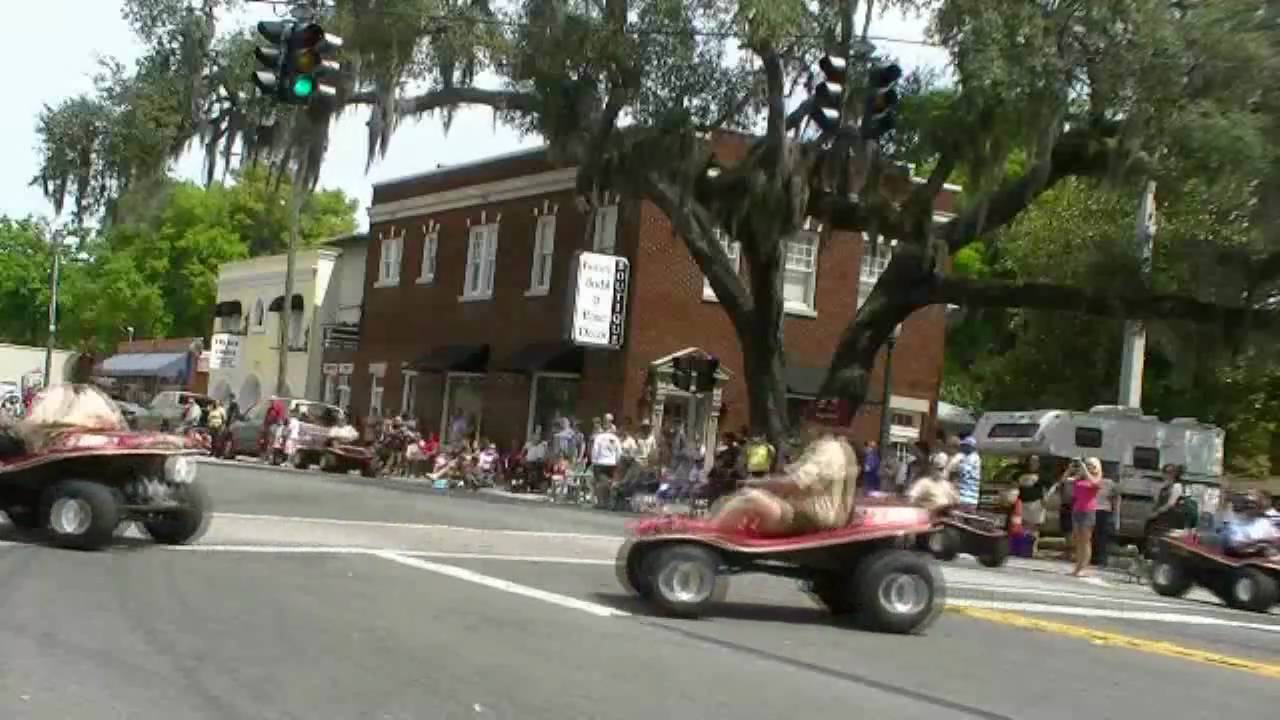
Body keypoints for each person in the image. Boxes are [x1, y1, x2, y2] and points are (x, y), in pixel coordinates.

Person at [705, 414, 858, 537]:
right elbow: (791, 477)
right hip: (816, 516)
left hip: (809, 518)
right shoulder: (838, 448)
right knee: (745, 497)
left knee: (749, 498)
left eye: (805, 425)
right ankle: (718, 530)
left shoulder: (829, 449)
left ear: (815, 427)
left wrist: (752, 483)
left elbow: (794, 483)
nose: (802, 431)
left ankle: (710, 538)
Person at [1068, 457, 1104, 577]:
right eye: (1087, 464)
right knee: (1078, 540)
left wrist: (1084, 469)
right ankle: (1078, 567)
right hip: (1077, 510)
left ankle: (1084, 567)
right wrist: (1070, 469)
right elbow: (1065, 480)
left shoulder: (1097, 479)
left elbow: (1094, 483)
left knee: (1086, 541)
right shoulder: (1081, 477)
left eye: (1091, 465)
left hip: (1088, 511)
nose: (1089, 467)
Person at [1221, 491, 1279, 558]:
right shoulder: (1235, 522)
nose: (1250, 506)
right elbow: (1234, 547)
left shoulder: (1265, 522)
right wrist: (1260, 545)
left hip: (1265, 558)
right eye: (1248, 503)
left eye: (1254, 503)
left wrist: (1266, 545)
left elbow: (1276, 540)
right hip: (1242, 559)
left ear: (1260, 507)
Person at [1017, 456, 1046, 555]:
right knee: (1024, 526)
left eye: (1035, 461)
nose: (1033, 463)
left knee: (1034, 527)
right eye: (1031, 461)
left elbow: (1048, 488)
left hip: (1036, 503)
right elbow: (1014, 484)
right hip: (1023, 503)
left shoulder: (1042, 475)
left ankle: (1033, 549)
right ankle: (1024, 548)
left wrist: (1045, 499)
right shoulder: (1020, 473)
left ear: (1038, 463)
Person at [590, 420, 622, 509]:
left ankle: (601, 502)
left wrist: (594, 461)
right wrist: (617, 462)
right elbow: (619, 452)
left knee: (599, 483)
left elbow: (595, 450)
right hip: (612, 463)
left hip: (600, 462)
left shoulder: (599, 437)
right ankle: (609, 502)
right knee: (610, 482)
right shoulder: (615, 438)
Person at [946, 436, 982, 511]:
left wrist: (955, 463)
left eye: (964, 446)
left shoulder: (972, 458)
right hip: (968, 499)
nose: (962, 448)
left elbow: (963, 471)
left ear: (970, 447)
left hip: (966, 498)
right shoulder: (969, 457)